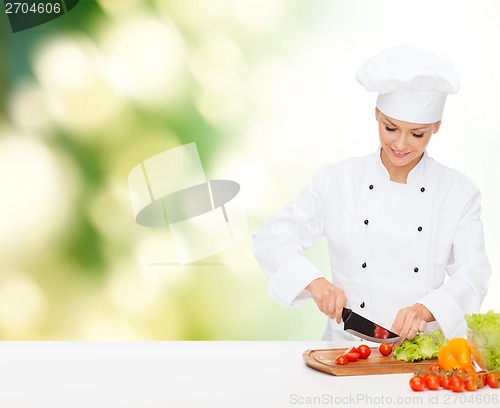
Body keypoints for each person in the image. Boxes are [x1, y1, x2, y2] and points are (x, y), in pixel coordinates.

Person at [252, 46, 491, 342]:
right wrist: (315, 283)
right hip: (345, 349)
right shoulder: (336, 181)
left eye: (418, 134)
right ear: (376, 114)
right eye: (390, 128)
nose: (401, 144)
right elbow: (273, 237)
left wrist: (425, 309)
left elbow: (474, 273)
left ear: (436, 127)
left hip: (419, 353)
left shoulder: (458, 192)